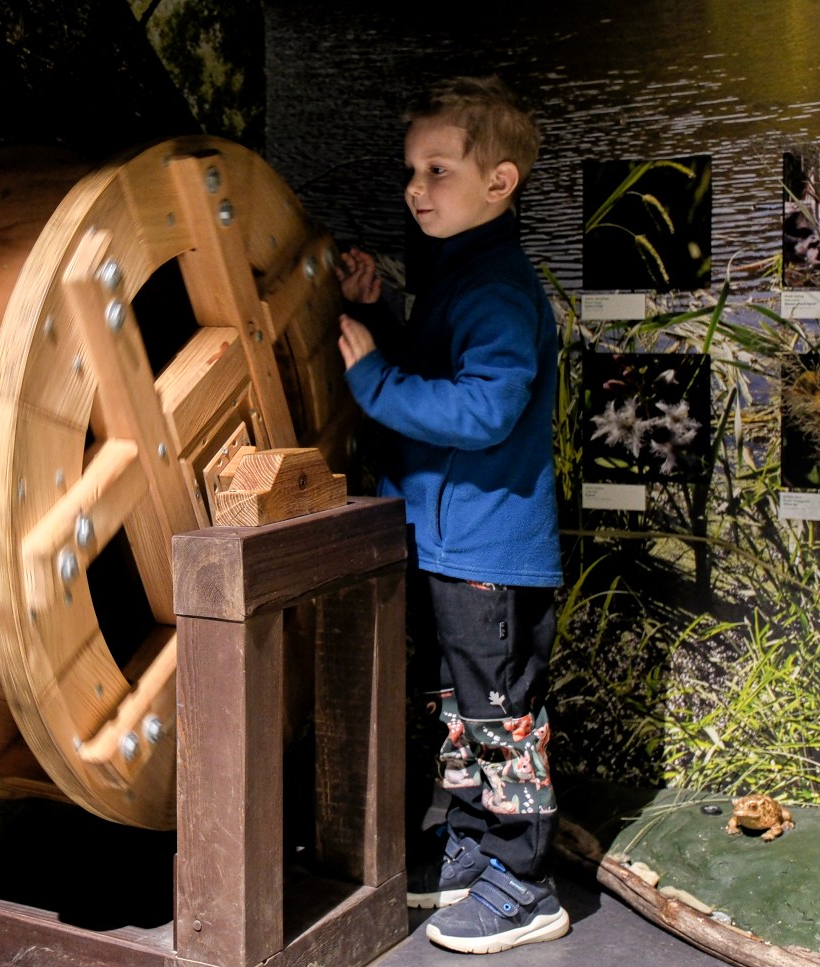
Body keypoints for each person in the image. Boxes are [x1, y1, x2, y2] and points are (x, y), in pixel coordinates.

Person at [336, 76, 568, 955]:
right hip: (449, 543)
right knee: (462, 708)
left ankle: (525, 882)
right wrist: (380, 312)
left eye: (438, 169)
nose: (415, 188)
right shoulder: (460, 274)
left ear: (500, 182)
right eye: (412, 170)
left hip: (490, 552)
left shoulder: (498, 288)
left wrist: (372, 378)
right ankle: (475, 846)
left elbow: (482, 410)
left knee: (501, 713)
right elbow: (439, 369)